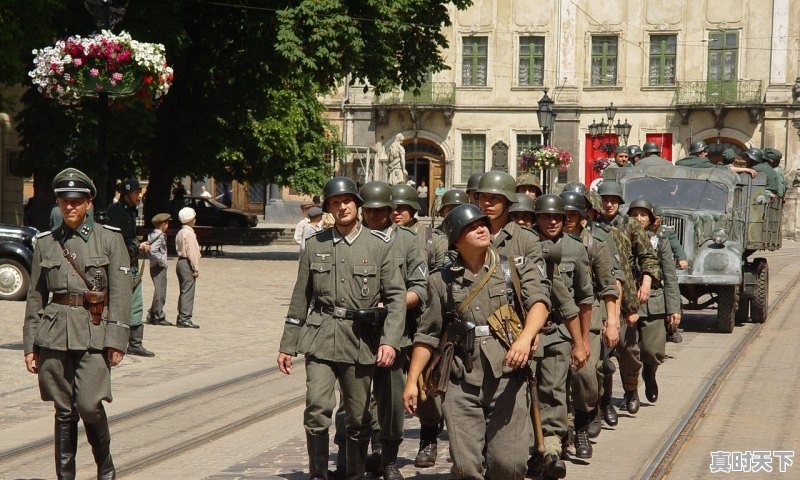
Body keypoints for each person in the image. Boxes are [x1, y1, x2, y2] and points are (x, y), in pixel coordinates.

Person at [403, 203, 551, 480]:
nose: (481, 228)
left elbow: (540, 304)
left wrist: (525, 339)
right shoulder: (440, 281)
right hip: (461, 380)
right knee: (466, 467)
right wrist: (412, 381)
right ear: (456, 239)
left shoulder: (515, 268)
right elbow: (428, 334)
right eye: (471, 226)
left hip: (508, 377)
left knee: (509, 466)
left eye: (482, 223)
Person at [277, 177, 406, 480]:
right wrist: (287, 344)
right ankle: (318, 474)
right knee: (316, 408)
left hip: (360, 340)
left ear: (358, 206)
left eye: (348, 201)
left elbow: (396, 299)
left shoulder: (378, 246)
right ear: (329, 208)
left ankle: (355, 475)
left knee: (359, 416)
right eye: (336, 202)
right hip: (320, 336)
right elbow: (300, 297)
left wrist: (390, 341)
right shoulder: (314, 245)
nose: (343, 206)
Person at [23, 167, 131, 480]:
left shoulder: (109, 240)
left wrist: (117, 339)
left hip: (95, 332)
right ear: (58, 202)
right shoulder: (45, 243)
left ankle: (105, 466)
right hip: (54, 334)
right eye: (64, 200)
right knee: (63, 408)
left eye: (77, 200)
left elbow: (121, 296)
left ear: (88, 203)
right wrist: (30, 344)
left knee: (89, 404)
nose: (70, 206)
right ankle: (65, 476)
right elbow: (35, 297)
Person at [559, 190, 619, 458]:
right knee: (556, 379)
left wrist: (613, 321)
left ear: (584, 218)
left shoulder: (596, 245)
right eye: (565, 214)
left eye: (574, 215)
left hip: (589, 314)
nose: (568, 219)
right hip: (556, 315)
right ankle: (562, 433)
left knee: (585, 375)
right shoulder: (545, 243)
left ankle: (584, 421)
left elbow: (608, 287)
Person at [595, 181, 661, 415]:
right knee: (602, 354)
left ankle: (631, 390)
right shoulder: (591, 226)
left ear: (620, 202)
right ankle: (605, 401)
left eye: (613, 200)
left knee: (629, 350)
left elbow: (648, 257)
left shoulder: (630, 225)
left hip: (627, 298)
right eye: (605, 199)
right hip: (600, 296)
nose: (609, 204)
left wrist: (646, 280)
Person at [625, 199, 681, 406]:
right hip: (627, 302)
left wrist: (674, 308)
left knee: (652, 350)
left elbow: (670, 276)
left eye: (643, 215)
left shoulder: (661, 242)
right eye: (635, 214)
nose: (639, 219)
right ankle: (631, 391)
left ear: (650, 219)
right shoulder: (622, 238)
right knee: (628, 351)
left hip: (654, 303)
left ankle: (650, 374)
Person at [106, 178, 154, 357]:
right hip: (120, 265)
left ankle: (135, 342)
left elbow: (130, 238)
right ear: (127, 193)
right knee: (118, 302)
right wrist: (138, 246)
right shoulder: (116, 212)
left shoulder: (130, 211)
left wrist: (138, 245)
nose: (139, 196)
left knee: (135, 303)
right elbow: (117, 242)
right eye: (136, 192)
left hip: (130, 263)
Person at [175, 207, 201, 329]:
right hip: (187, 262)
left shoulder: (180, 232)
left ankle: (181, 315)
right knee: (188, 290)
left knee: (183, 290)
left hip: (180, 261)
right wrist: (195, 268)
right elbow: (192, 252)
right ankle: (185, 318)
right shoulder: (189, 234)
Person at [146, 213, 173, 326]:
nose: (168, 225)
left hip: (154, 265)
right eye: (167, 223)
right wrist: (161, 261)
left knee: (159, 290)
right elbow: (153, 251)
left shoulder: (152, 234)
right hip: (158, 267)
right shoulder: (160, 236)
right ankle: (157, 315)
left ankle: (153, 313)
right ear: (163, 224)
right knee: (160, 292)